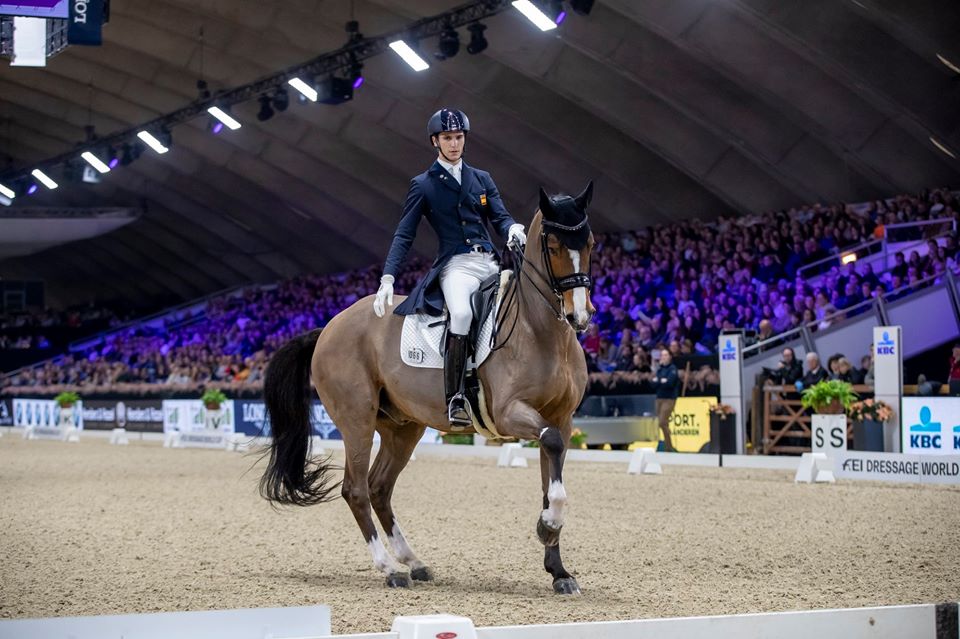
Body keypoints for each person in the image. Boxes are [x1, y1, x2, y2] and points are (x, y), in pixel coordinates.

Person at [373, 108, 526, 426]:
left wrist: (512, 229)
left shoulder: (482, 178)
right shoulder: (424, 185)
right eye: (447, 138)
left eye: (458, 137)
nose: (454, 143)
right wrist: (388, 277)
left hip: (491, 263)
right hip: (457, 266)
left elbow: (498, 215)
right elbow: (405, 232)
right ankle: (456, 397)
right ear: (435, 141)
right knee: (461, 314)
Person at [651, 350, 679, 452]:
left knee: (663, 422)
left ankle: (669, 445)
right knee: (661, 423)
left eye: (666, 355)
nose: (663, 357)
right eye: (662, 355)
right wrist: (661, 381)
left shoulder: (673, 369)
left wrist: (660, 381)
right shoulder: (660, 370)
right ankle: (665, 445)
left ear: (670, 357)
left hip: (669, 398)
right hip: (659, 398)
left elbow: (670, 383)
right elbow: (653, 384)